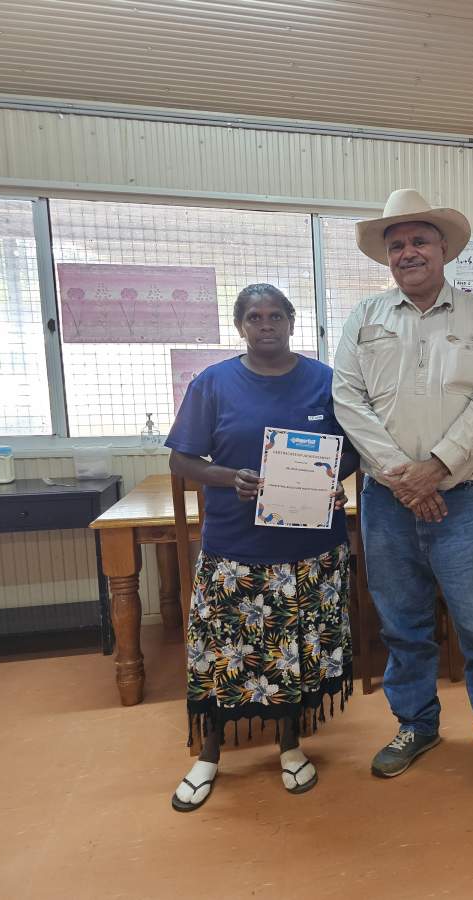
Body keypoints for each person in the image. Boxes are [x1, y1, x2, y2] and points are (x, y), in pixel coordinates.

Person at [332, 188, 473, 804]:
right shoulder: (364, 318)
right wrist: (402, 476)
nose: (408, 252)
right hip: (388, 501)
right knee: (402, 624)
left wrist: (437, 467)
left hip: (464, 496)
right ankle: (415, 725)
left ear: (443, 249)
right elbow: (348, 401)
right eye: (397, 245)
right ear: (386, 258)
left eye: (419, 241)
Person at [166, 283, 358, 813]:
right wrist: (229, 478)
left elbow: (352, 450)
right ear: (240, 326)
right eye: (255, 316)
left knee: (292, 652)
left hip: (310, 548)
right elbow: (182, 461)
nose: (266, 324)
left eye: (276, 315)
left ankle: (290, 745)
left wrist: (331, 478)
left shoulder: (325, 381)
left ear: (293, 322)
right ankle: (209, 754)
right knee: (224, 653)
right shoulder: (214, 383)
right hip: (236, 547)